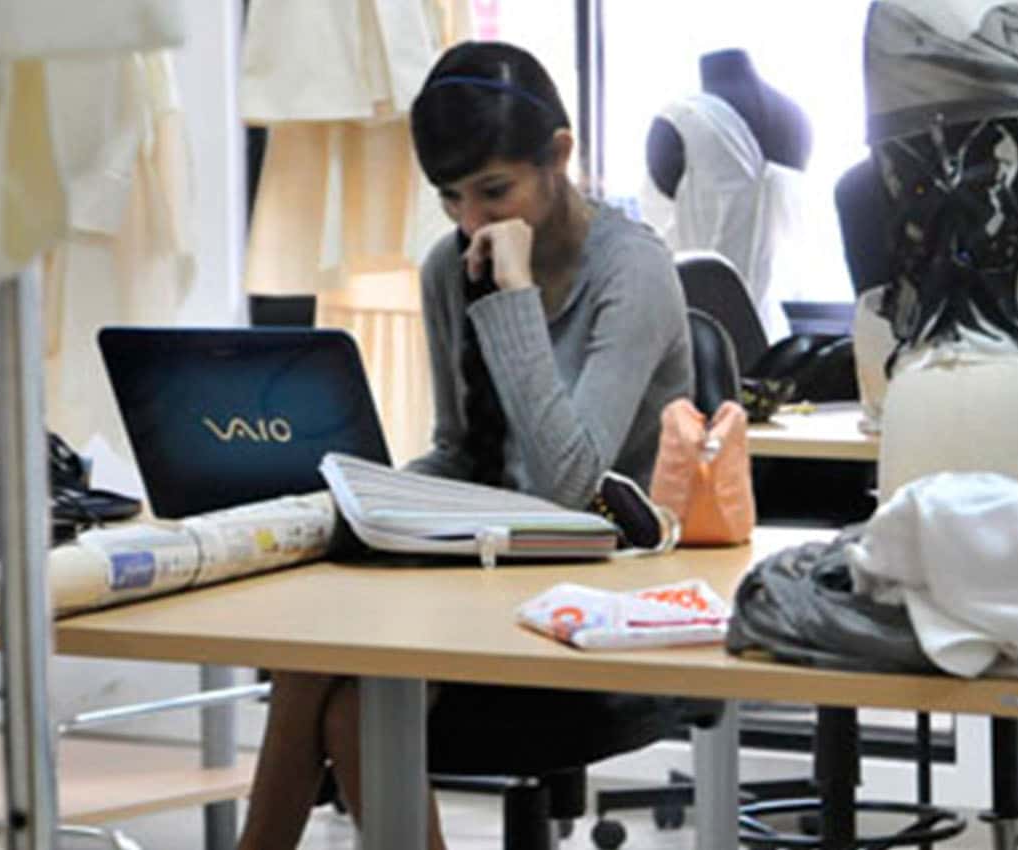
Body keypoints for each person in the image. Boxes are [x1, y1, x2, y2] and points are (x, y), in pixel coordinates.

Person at [236, 41, 694, 850]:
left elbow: (569, 485)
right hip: (486, 575)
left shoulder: (633, 273)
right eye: (451, 198)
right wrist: (361, 500)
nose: (472, 222)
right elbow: (457, 450)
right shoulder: (449, 268)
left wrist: (513, 296)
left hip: (602, 597)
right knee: (316, 652)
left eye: (494, 190)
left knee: (352, 707)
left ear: (559, 155)